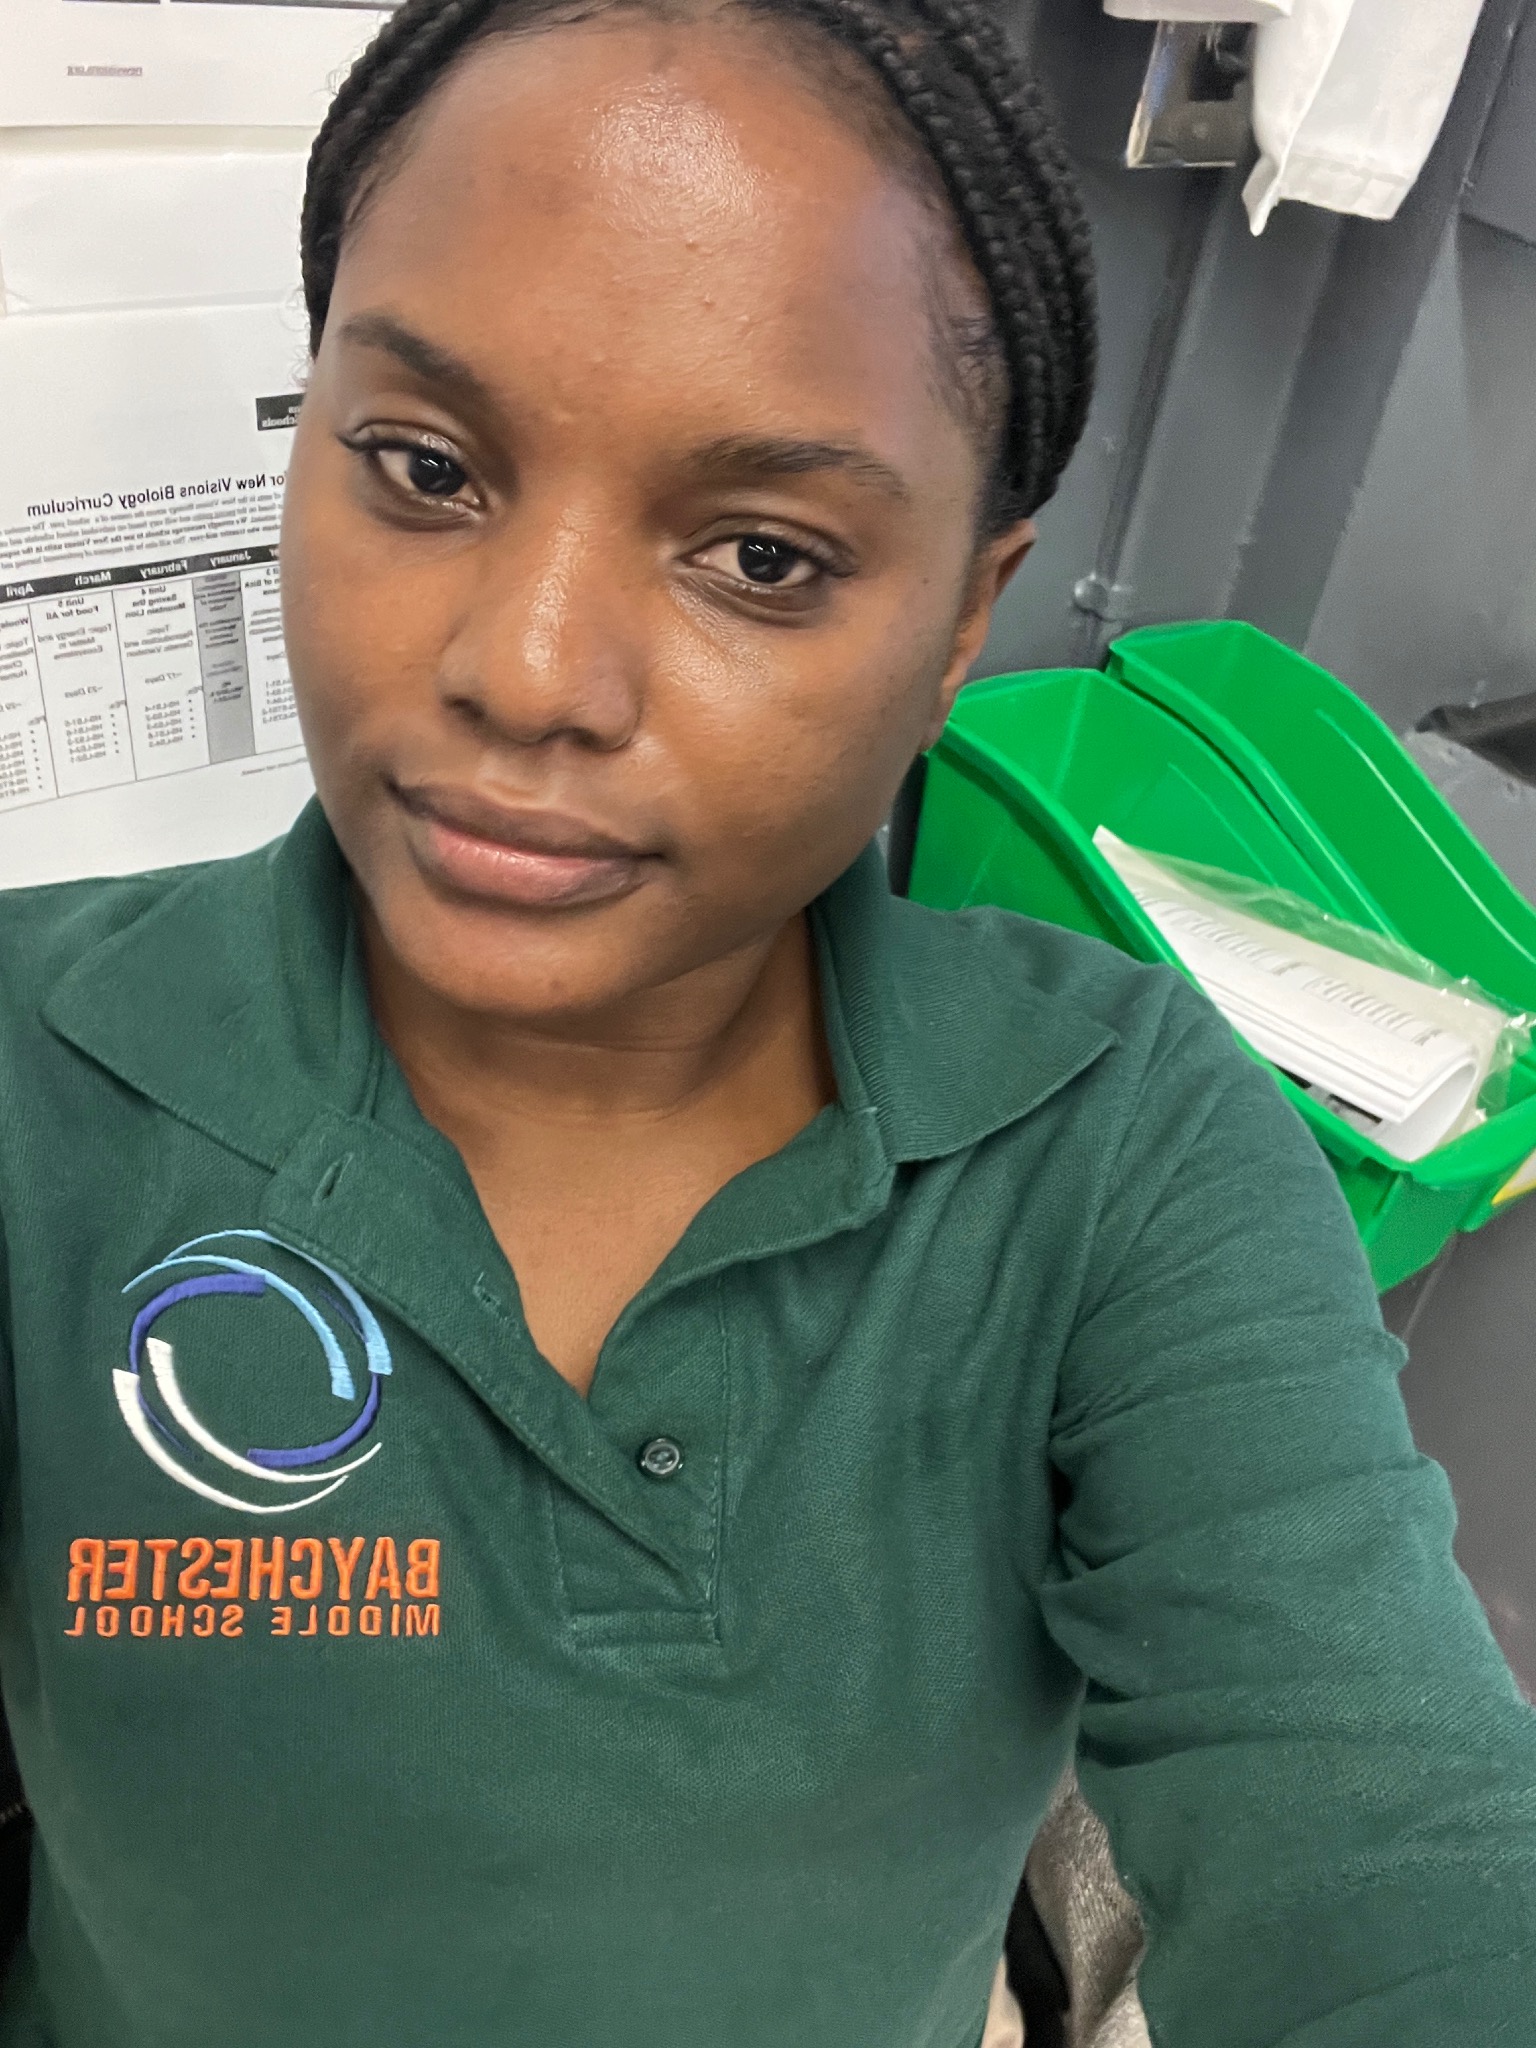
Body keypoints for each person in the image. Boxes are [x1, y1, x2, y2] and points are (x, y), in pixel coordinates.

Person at [0, 1, 1533, 2042]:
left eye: (758, 555)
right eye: (426, 468)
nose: (529, 671)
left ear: (963, 617)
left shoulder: (1115, 1148)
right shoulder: (33, 1066)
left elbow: (1388, 1827)